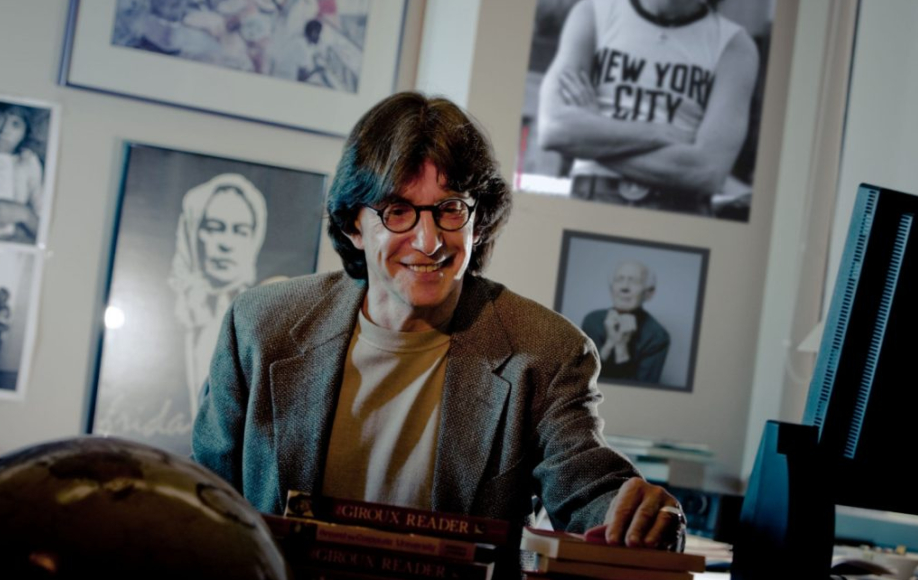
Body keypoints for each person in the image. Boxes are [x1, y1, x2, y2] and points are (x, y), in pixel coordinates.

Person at [192, 92, 685, 570]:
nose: (428, 241)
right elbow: (205, 504)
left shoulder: (547, 352)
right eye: (398, 211)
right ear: (354, 226)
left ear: (478, 221)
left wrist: (643, 515)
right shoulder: (260, 326)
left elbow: (589, 489)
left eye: (450, 208)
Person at [537, 0, 759, 216]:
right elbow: (554, 129)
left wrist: (593, 137)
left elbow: (706, 173)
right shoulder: (593, 11)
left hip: (679, 210)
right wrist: (658, 133)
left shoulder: (735, 45)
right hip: (593, 196)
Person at [169, 173, 267, 418]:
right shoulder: (175, 311)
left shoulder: (263, 319)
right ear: (192, 231)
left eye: (240, 231)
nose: (227, 244)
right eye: (214, 228)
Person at [582, 260, 670, 383]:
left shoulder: (658, 336)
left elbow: (642, 392)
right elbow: (581, 378)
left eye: (634, 281)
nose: (624, 287)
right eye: (619, 279)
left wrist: (621, 348)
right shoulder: (592, 320)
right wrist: (609, 344)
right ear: (612, 289)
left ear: (649, 293)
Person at [0, 101, 44, 243]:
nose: (4, 130)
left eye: (15, 124)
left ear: (25, 131)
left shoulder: (27, 162)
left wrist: (22, 214)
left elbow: (46, 229)